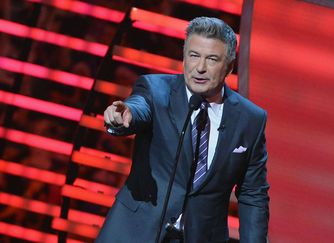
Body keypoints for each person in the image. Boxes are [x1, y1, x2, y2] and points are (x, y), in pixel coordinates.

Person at [98, 17, 269, 243]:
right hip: (136, 232)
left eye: (212, 59)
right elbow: (140, 107)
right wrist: (123, 116)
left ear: (229, 66)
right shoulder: (155, 89)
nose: (200, 67)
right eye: (194, 55)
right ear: (184, 56)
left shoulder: (250, 119)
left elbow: (253, 194)